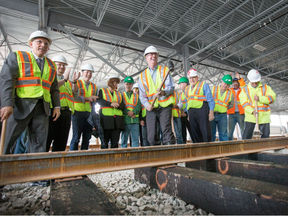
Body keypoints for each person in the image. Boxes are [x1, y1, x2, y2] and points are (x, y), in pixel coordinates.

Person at [0, 30, 60, 154]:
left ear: (48, 49)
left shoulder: (51, 65)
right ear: (31, 44)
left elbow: (54, 88)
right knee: (7, 140)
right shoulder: (17, 57)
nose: (43, 45)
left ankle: (35, 171)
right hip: (19, 106)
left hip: (42, 108)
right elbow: (7, 80)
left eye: (46, 44)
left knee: (39, 143)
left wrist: (57, 106)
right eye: (39, 42)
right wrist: (7, 104)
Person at [138, 45, 176, 146]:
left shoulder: (164, 70)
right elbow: (142, 95)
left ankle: (171, 158)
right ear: (146, 58)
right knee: (151, 137)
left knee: (167, 132)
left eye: (155, 54)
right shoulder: (142, 76)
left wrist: (163, 92)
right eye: (150, 54)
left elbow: (171, 87)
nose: (153, 56)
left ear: (157, 57)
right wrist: (147, 105)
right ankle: (158, 157)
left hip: (164, 106)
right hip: (151, 107)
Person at [46, 55, 80, 152]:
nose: (62, 67)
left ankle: (57, 164)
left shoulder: (67, 81)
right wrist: (64, 79)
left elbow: (75, 93)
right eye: (59, 64)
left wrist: (74, 81)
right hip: (52, 112)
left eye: (64, 65)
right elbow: (52, 86)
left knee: (61, 141)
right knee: (47, 139)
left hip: (66, 113)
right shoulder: (49, 76)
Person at [239, 69, 276, 139]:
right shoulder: (245, 90)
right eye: (253, 83)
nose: (255, 84)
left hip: (264, 117)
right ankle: (246, 149)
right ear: (249, 80)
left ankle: (264, 149)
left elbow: (272, 98)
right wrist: (252, 111)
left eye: (256, 82)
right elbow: (244, 103)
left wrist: (260, 98)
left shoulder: (266, 88)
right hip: (251, 116)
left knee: (265, 137)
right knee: (246, 137)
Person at [70, 63, 98, 151]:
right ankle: (72, 158)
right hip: (77, 112)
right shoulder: (76, 83)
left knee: (87, 138)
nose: (88, 74)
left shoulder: (94, 86)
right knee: (76, 138)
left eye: (90, 72)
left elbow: (94, 100)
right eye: (87, 72)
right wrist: (88, 98)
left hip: (89, 114)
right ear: (82, 73)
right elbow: (73, 97)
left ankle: (84, 157)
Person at [184, 68, 215, 143]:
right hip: (191, 113)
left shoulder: (203, 85)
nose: (192, 80)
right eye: (190, 78)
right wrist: (188, 114)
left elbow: (210, 100)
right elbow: (187, 102)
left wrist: (211, 112)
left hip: (202, 110)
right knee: (194, 133)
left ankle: (208, 151)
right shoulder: (187, 89)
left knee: (205, 132)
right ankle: (198, 152)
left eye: (194, 77)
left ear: (197, 77)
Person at [98, 75, 125, 148]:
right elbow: (100, 101)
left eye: (117, 82)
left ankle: (115, 159)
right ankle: (104, 158)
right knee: (104, 142)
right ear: (109, 82)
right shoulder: (102, 91)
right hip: (106, 120)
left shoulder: (119, 94)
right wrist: (111, 104)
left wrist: (118, 105)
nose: (116, 84)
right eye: (114, 82)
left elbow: (123, 106)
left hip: (117, 121)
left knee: (115, 143)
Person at [211, 74, 233, 141]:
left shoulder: (230, 93)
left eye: (228, 84)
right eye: (225, 83)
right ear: (221, 82)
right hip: (212, 114)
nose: (225, 85)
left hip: (223, 115)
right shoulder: (213, 89)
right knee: (211, 133)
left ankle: (224, 150)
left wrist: (223, 108)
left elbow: (231, 105)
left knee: (223, 134)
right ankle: (211, 150)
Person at [120, 76, 141, 148]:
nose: (128, 86)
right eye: (127, 84)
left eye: (130, 84)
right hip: (125, 121)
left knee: (135, 140)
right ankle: (123, 155)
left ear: (132, 85)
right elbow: (121, 105)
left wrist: (133, 112)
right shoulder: (121, 95)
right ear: (124, 84)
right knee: (124, 140)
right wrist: (128, 112)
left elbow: (139, 106)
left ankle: (135, 156)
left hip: (135, 121)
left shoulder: (137, 96)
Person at [227, 72, 246, 140]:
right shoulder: (229, 90)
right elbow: (225, 84)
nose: (235, 84)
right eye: (233, 82)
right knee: (229, 132)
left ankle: (244, 145)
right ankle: (229, 146)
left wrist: (240, 78)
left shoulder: (242, 90)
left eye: (236, 82)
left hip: (240, 113)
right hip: (231, 114)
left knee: (243, 131)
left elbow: (244, 86)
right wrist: (228, 77)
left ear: (238, 83)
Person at [178, 77, 193, 143]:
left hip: (189, 114)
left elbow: (189, 103)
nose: (180, 86)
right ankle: (184, 144)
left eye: (180, 84)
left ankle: (195, 144)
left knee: (192, 130)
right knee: (182, 131)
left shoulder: (190, 92)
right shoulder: (181, 94)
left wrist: (187, 113)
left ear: (185, 84)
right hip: (182, 114)